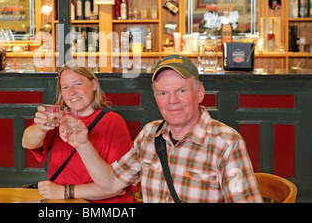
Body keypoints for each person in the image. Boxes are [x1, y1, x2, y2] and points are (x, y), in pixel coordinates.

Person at [62, 55, 263, 203]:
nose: (172, 101)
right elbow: (111, 183)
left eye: (181, 91)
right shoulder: (149, 135)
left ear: (199, 92)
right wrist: (83, 144)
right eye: (163, 93)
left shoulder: (226, 143)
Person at [22, 62, 134, 202]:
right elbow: (27, 142)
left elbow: (119, 186)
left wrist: (65, 191)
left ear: (94, 85)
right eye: (65, 87)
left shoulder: (113, 122)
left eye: (78, 84)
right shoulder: (58, 114)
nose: (72, 92)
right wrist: (41, 127)